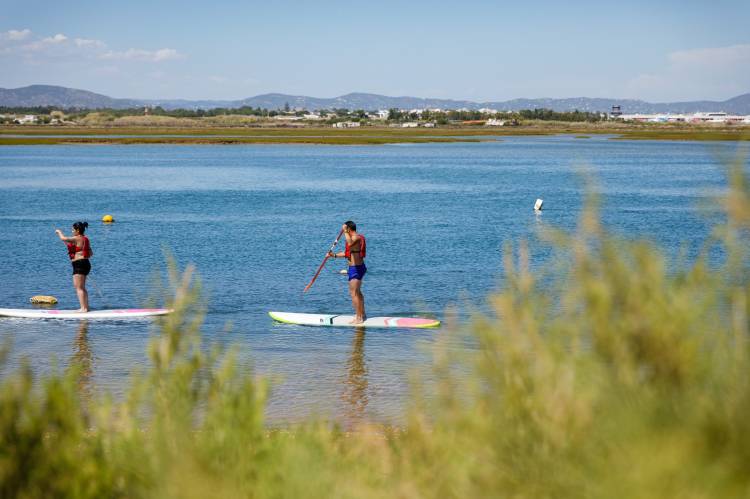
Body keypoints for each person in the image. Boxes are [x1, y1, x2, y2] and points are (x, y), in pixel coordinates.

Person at [329, 221, 367, 324]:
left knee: (354, 293)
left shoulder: (356, 238)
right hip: (354, 268)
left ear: (349, 229)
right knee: (357, 292)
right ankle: (362, 314)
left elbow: (350, 242)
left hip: (357, 268)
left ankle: (359, 318)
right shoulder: (353, 238)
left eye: (346, 229)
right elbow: (347, 253)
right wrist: (334, 255)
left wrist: (345, 231)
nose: (345, 231)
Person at [55, 221, 93, 312]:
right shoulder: (85, 239)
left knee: (78, 287)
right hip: (85, 264)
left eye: (73, 229)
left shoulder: (76, 238)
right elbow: (90, 253)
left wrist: (59, 232)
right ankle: (86, 307)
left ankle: (83, 308)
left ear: (78, 230)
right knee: (82, 287)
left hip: (79, 265)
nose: (72, 231)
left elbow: (63, 238)